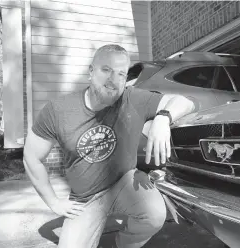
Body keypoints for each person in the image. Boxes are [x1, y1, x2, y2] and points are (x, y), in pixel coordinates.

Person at [23, 44, 195, 248]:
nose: (114, 80)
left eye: (121, 74)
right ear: (91, 72)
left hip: (125, 181)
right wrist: (53, 202)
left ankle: (123, 244)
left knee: (155, 215)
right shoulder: (58, 111)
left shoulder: (132, 98)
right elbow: (31, 157)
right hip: (85, 198)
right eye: (106, 70)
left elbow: (185, 101)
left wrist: (163, 118)